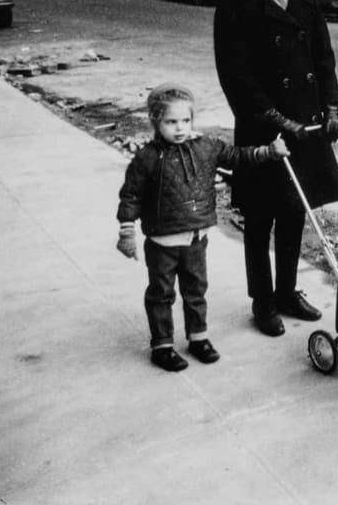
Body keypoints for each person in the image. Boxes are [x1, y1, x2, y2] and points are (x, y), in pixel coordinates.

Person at [214, 0, 338, 338]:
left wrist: (331, 107)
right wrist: (275, 120)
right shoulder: (237, 4)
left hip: (304, 126)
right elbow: (236, 77)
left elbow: (323, 58)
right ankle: (263, 300)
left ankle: (287, 291)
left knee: (294, 212)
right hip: (264, 129)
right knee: (260, 219)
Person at [116, 83, 290, 372]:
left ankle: (198, 337)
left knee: (196, 290)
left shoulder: (205, 147)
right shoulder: (147, 158)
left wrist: (268, 152)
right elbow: (131, 195)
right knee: (161, 294)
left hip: (196, 238)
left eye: (185, 120)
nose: (180, 128)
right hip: (162, 243)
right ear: (156, 121)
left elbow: (237, 156)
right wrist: (126, 233)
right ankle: (162, 345)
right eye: (171, 122)